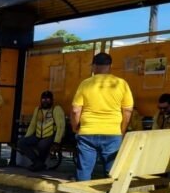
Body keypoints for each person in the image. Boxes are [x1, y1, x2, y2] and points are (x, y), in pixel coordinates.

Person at [71, 52, 133, 181]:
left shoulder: (85, 84)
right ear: (110, 66)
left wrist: (76, 128)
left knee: (84, 168)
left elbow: (76, 110)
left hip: (88, 132)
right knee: (111, 169)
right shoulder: (121, 84)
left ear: (93, 66)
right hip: (112, 132)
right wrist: (121, 131)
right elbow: (128, 111)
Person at [18, 91, 66, 172]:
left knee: (42, 145)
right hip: (38, 136)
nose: (45, 101)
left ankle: (38, 164)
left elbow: (60, 126)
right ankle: (37, 162)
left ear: (52, 100)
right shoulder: (38, 109)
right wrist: (26, 137)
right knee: (21, 142)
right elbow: (32, 125)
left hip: (50, 136)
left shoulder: (56, 109)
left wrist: (57, 142)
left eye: (48, 99)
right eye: (43, 99)